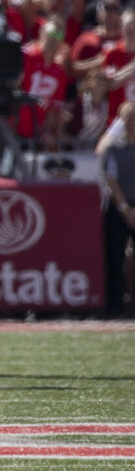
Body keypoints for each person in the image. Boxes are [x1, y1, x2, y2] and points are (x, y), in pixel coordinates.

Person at [101, 102, 135, 318]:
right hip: (118, 207)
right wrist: (125, 209)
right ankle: (114, 306)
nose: (132, 122)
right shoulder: (113, 148)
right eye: (129, 118)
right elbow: (110, 179)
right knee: (114, 257)